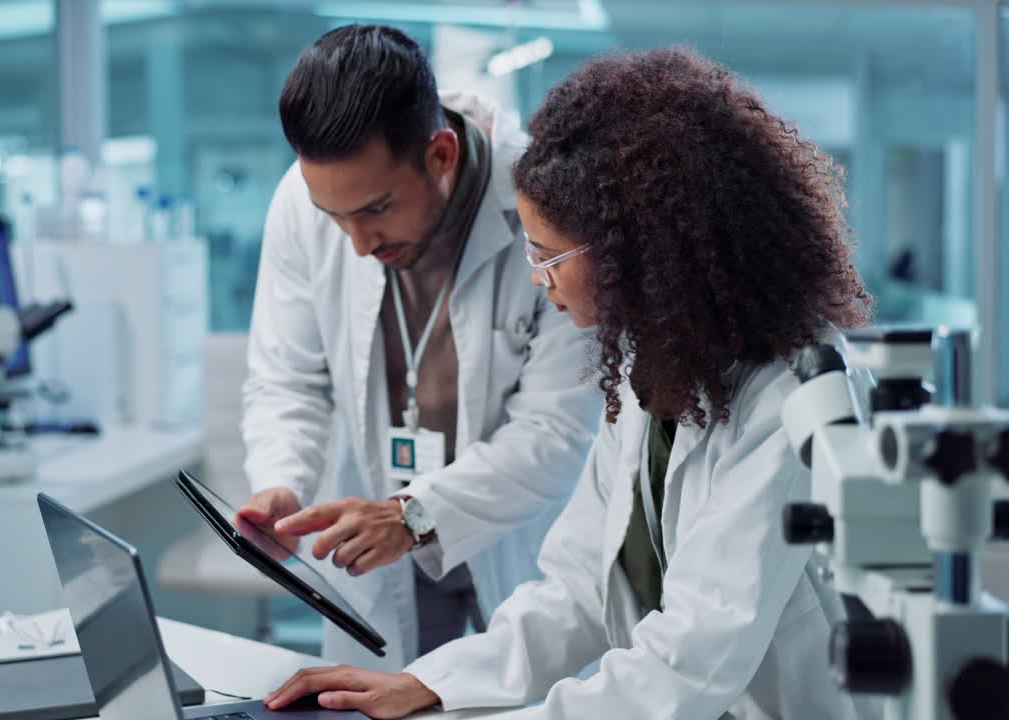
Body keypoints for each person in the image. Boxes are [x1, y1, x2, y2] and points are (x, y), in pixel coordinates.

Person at [261, 47, 882, 719]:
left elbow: (690, 660)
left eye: (546, 255)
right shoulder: (655, 366)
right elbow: (580, 584)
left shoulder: (787, 399)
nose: (537, 278)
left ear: (637, 248)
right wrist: (433, 684)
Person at [238, 24, 602, 670]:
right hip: (372, 546)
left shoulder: (543, 207)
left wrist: (416, 515)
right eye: (335, 218)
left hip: (511, 527)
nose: (356, 242)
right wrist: (282, 481)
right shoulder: (303, 201)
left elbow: (555, 430)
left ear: (440, 154)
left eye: (376, 208)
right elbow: (288, 380)